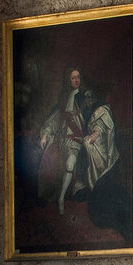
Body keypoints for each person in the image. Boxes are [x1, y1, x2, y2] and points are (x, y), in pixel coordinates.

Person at [38, 66, 120, 215]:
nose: (76, 80)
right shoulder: (63, 101)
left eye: (78, 77)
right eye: (73, 77)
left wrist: (96, 132)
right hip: (61, 141)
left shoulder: (86, 98)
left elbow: (98, 114)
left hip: (76, 142)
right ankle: (54, 193)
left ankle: (61, 199)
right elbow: (54, 121)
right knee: (48, 161)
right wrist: (45, 134)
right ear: (68, 80)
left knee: (70, 162)